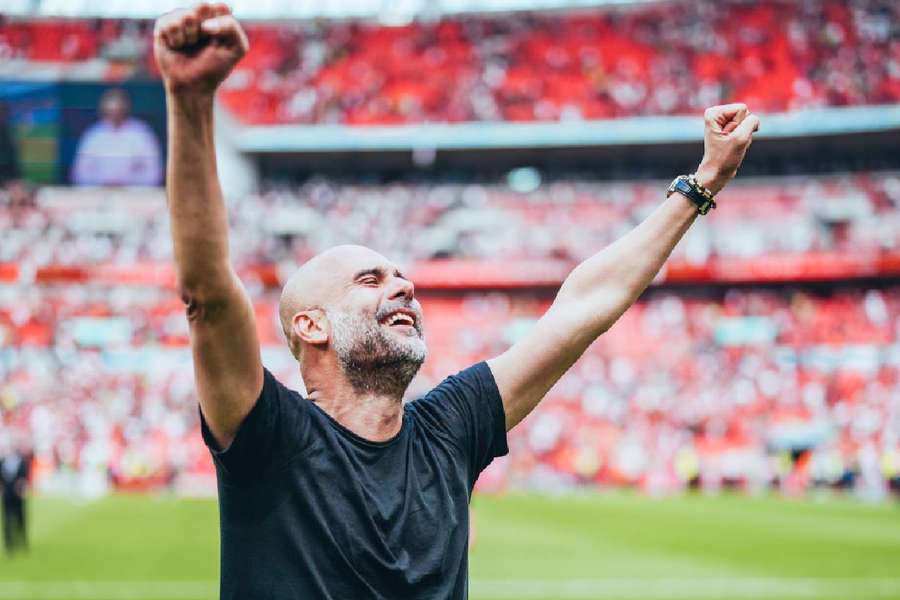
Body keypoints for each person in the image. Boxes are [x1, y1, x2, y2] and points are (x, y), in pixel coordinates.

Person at [154, 4, 759, 598]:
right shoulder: (270, 437)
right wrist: (190, 100)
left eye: (401, 277)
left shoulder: (448, 427)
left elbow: (583, 307)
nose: (405, 287)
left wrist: (703, 183)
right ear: (312, 326)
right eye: (371, 280)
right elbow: (207, 294)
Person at [70, 88, 163, 187]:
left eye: (118, 111)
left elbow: (154, 172)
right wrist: (103, 182)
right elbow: (80, 173)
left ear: (125, 109)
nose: (114, 115)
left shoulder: (142, 133)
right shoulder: (93, 135)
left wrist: (127, 182)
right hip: (98, 194)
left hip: (135, 196)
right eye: (111, 111)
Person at [0, 437, 31, 556]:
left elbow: (24, 477)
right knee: (7, 520)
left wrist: (22, 487)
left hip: (18, 495)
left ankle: (22, 540)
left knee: (20, 518)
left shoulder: (21, 462)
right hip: (7, 495)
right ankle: (9, 543)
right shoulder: (2, 462)